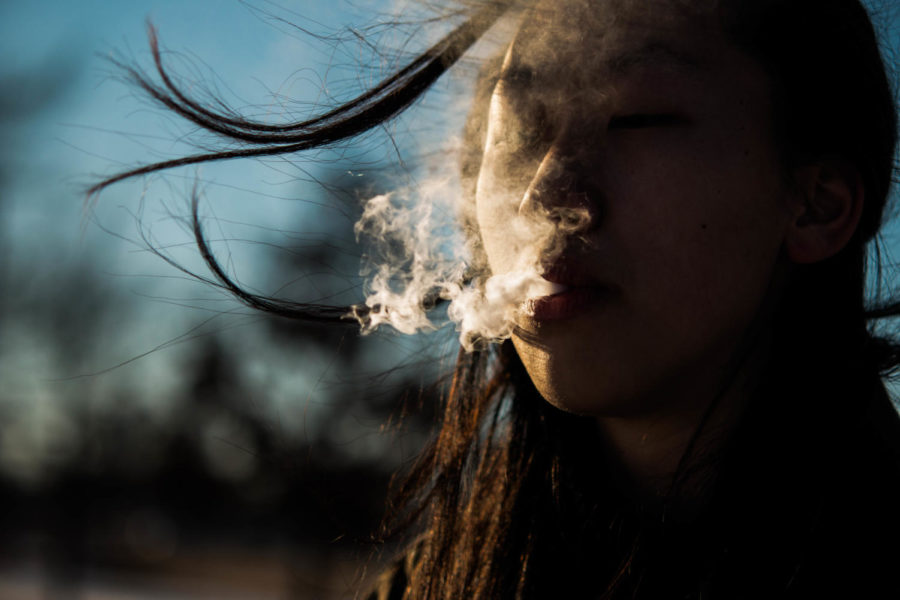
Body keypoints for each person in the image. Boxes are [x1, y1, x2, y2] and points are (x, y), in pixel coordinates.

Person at [92, 0, 900, 597]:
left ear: (817, 204)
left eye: (637, 118)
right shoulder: (450, 576)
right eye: (515, 131)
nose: (550, 193)